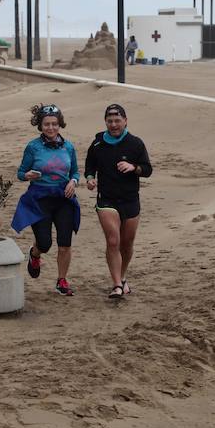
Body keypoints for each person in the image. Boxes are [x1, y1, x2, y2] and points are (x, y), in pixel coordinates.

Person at [11, 104, 81, 296]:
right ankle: (35, 254)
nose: (51, 128)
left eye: (54, 124)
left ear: (60, 125)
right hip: (40, 198)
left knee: (65, 243)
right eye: (47, 124)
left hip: (64, 199)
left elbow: (75, 171)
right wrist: (28, 175)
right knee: (45, 243)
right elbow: (20, 173)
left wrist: (73, 181)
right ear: (40, 126)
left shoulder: (68, 147)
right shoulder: (33, 147)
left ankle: (62, 280)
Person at [85, 104, 152, 299]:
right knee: (113, 241)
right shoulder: (97, 144)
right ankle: (116, 285)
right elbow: (90, 166)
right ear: (105, 122)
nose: (113, 125)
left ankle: (122, 277)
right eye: (110, 121)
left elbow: (147, 169)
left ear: (125, 121)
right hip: (107, 200)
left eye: (117, 121)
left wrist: (134, 167)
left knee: (127, 243)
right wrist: (90, 179)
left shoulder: (135, 143)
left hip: (130, 199)